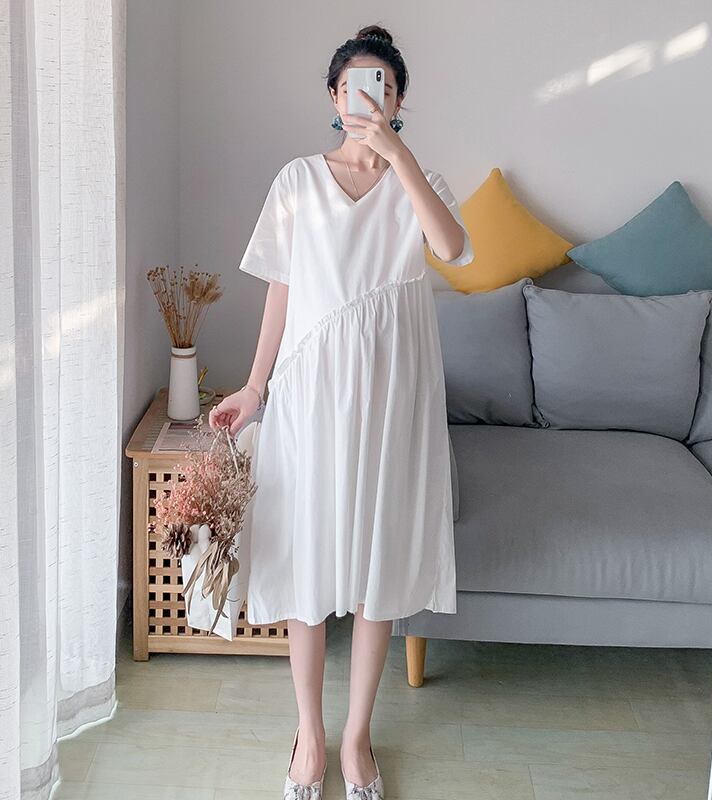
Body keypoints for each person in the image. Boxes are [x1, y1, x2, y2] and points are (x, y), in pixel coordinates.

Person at [210, 23, 474, 800]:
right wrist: (254, 388)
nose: (369, 97)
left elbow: (452, 248)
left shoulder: (417, 179)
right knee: (307, 558)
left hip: (393, 396)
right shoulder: (297, 179)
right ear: (333, 96)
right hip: (310, 392)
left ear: (400, 99)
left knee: (375, 565)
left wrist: (398, 157)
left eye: (383, 86)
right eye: (356, 84)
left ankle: (357, 737)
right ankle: (309, 737)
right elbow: (282, 288)